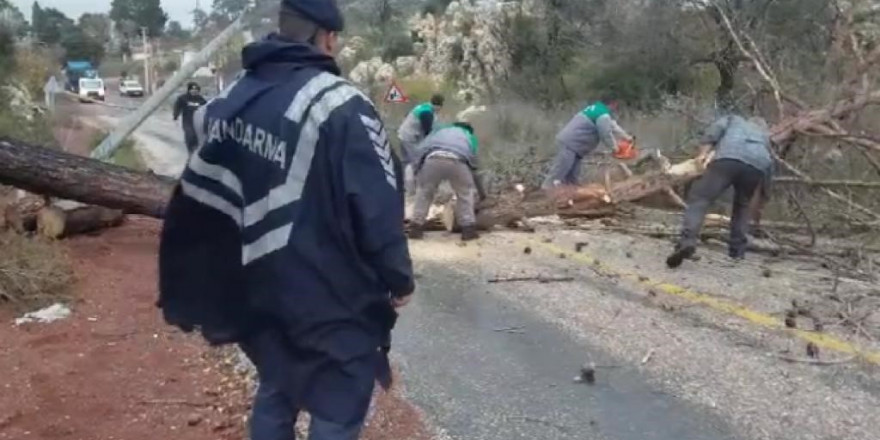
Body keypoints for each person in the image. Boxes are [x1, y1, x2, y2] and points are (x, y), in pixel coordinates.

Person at [156, 1, 415, 439]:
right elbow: (377, 207)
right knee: (336, 405)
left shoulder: (239, 93)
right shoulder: (344, 105)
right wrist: (399, 278)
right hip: (331, 298)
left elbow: (204, 174)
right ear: (327, 38)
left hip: (260, 287)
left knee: (279, 379)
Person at [666, 114, 774, 268]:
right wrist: (765, 196)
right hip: (757, 166)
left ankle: (687, 241)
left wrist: (702, 155)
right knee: (742, 206)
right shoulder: (764, 136)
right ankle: (737, 252)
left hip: (728, 158)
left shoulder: (734, 119)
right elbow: (770, 166)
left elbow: (713, 132)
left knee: (700, 199)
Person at [408, 122, 485, 241]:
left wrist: (416, 172)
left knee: (424, 193)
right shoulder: (469, 137)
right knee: (465, 193)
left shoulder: (439, 131)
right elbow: (475, 166)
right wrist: (482, 192)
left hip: (432, 158)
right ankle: (468, 229)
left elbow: (420, 150)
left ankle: (415, 228)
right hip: (458, 160)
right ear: (469, 130)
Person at [542, 95, 633, 188]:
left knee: (573, 175)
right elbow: (605, 133)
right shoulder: (603, 115)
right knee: (560, 171)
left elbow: (612, 125)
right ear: (613, 104)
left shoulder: (597, 110)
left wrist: (626, 136)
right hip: (570, 143)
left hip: (574, 145)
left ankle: (572, 194)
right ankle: (545, 192)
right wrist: (614, 148)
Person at [397, 94, 444, 192]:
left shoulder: (423, 107)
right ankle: (415, 188)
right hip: (411, 138)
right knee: (417, 162)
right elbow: (428, 132)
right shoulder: (427, 113)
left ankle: (401, 186)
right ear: (439, 105)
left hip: (402, 135)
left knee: (405, 162)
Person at [173, 82, 208, 153]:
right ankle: (190, 150)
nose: (194, 91)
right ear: (189, 90)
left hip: (198, 122)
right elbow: (177, 108)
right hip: (187, 121)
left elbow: (207, 109)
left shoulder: (201, 100)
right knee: (190, 135)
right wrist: (176, 117)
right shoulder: (183, 98)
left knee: (197, 137)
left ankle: (197, 150)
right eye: (192, 89)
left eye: (196, 90)